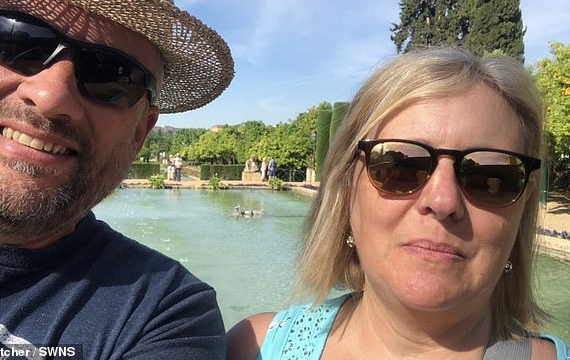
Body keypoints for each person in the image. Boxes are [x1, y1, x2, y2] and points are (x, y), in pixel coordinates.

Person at [0, 0, 234, 358]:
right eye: (20, 42)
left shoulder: (167, 316)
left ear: (141, 133)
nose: (50, 96)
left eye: (112, 74)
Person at [227, 47, 568, 359]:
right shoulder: (249, 348)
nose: (443, 200)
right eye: (400, 166)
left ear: (523, 205)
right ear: (345, 190)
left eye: (490, 177)